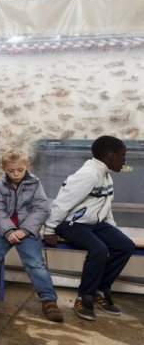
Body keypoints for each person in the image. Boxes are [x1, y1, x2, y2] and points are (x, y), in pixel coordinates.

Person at [44, 135, 135, 321]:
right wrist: (50, 228)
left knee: (125, 245)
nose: (125, 160)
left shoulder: (106, 176)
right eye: (122, 155)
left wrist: (113, 231)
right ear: (110, 155)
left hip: (94, 224)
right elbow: (63, 201)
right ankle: (84, 296)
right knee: (99, 250)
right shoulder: (89, 174)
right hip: (71, 223)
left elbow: (105, 206)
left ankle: (101, 290)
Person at [0, 149, 63, 322]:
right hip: (3, 230)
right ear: (4, 168)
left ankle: (48, 300)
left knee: (35, 263)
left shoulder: (35, 184)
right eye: (11, 171)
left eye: (20, 170)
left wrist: (24, 230)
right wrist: (9, 231)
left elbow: (42, 208)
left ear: (27, 166)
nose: (16, 174)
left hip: (27, 230)